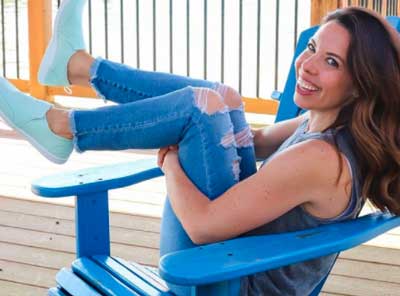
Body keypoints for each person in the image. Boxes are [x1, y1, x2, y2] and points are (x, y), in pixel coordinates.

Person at [0, 1, 399, 294]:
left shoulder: (321, 158)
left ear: (361, 83)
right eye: (311, 48)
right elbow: (255, 143)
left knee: (197, 110)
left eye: (331, 62)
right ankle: (80, 69)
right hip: (233, 255)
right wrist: (224, 108)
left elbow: (203, 226)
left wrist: (172, 163)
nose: (308, 66)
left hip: (221, 277)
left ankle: (61, 125)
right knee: (217, 97)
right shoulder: (330, 122)